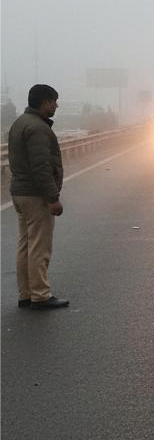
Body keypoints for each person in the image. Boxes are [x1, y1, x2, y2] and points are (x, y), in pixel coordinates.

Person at [7, 84, 69, 309]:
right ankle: (41, 294)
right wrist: (52, 197)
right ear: (44, 103)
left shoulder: (20, 123)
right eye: (53, 101)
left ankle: (26, 294)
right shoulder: (38, 129)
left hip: (20, 192)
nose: (56, 105)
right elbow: (41, 166)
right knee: (39, 246)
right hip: (35, 195)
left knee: (25, 244)